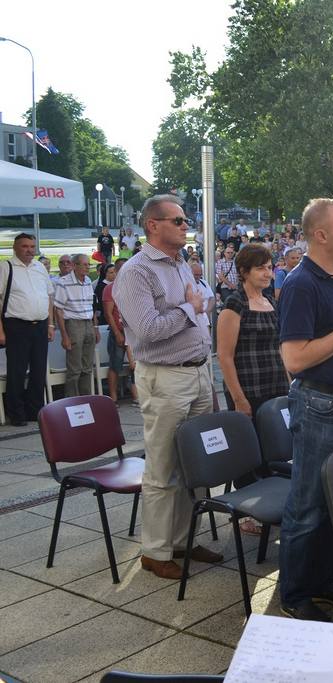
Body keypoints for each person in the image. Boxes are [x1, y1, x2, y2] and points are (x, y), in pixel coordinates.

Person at [114, 195, 222, 580]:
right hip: (165, 377)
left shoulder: (180, 264)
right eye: (177, 220)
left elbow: (201, 304)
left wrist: (199, 305)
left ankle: (183, 540)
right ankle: (155, 551)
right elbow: (148, 330)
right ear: (152, 225)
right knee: (162, 468)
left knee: (195, 464)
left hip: (198, 372)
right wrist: (191, 309)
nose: (185, 224)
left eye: (185, 219)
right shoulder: (137, 272)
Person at [277, 197, 333, 621]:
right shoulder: (302, 284)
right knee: (308, 503)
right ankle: (295, 593)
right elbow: (295, 359)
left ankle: (321, 583)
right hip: (321, 406)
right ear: (320, 234)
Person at [217, 244, 289, 417]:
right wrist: (238, 399)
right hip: (248, 391)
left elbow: (280, 349)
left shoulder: (271, 302)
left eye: (269, 268)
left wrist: (290, 383)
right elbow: (225, 356)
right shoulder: (235, 303)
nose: (268, 273)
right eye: (260, 268)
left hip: (278, 388)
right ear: (244, 272)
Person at [0, 233, 55, 425]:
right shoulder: (6, 267)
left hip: (40, 325)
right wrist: (1, 330)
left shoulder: (39, 267)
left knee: (38, 370)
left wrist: (50, 324)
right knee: (17, 370)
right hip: (16, 326)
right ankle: (16, 414)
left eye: (32, 246)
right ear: (15, 248)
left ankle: (35, 411)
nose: (29, 250)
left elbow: (49, 296)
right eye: (25, 246)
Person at [54, 254, 99, 397]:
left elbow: (91, 306)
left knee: (87, 367)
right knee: (74, 368)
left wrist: (95, 328)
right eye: (84, 264)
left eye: (88, 264)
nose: (87, 267)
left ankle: (85, 399)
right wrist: (64, 336)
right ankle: (72, 401)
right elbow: (58, 310)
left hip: (88, 323)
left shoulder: (88, 281)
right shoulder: (63, 282)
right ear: (75, 266)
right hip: (73, 324)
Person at [101, 263, 136, 404]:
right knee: (115, 365)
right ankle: (113, 398)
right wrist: (117, 333)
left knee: (136, 364)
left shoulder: (132, 287)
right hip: (119, 331)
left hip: (133, 332)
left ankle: (137, 395)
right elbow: (108, 314)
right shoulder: (110, 289)